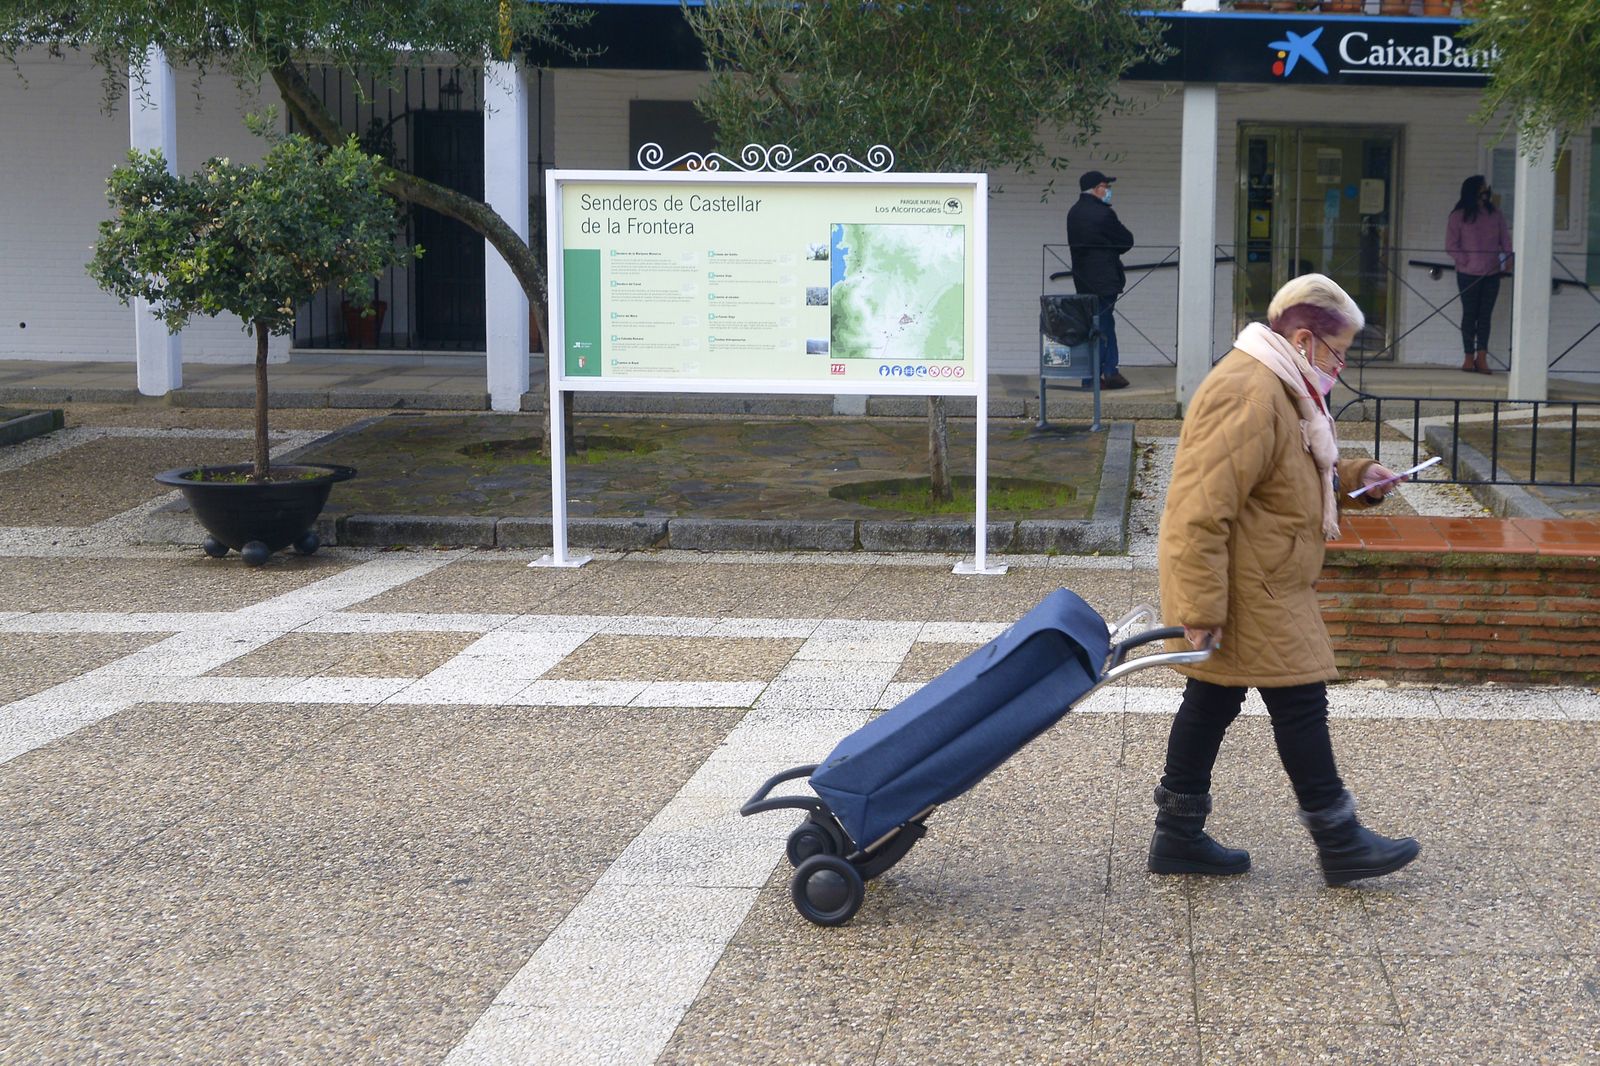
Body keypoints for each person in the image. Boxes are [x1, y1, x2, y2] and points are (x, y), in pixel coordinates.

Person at [1150, 273, 1421, 887]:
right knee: (1300, 701)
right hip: (1252, 585)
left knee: (1213, 699)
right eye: (1338, 354)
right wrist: (1199, 607)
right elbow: (1196, 509)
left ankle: (1179, 834)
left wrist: (1357, 478)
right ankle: (1340, 841)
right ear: (1304, 340)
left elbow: (1285, 475)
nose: (1341, 368)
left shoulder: (1279, 382)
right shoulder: (1250, 392)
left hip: (1260, 577)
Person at [1066, 170, 1134, 390]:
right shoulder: (1104, 214)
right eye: (1106, 187)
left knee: (1092, 324)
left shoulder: (1074, 213)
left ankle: (1093, 374)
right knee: (1105, 324)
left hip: (1082, 278)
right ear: (1096, 189)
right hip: (1105, 278)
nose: (1108, 191)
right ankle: (1106, 373)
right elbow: (1126, 240)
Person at [1445, 174, 1512, 375]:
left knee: (1485, 316)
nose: (1485, 191)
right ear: (1472, 191)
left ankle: (1481, 357)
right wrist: (1466, 260)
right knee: (1469, 314)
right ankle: (1468, 357)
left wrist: (1508, 261)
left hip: (1492, 273)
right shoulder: (1458, 216)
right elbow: (1451, 245)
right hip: (1467, 274)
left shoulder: (1495, 214)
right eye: (1481, 188)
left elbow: (1506, 241)